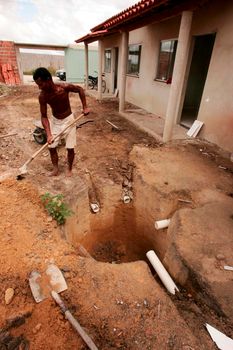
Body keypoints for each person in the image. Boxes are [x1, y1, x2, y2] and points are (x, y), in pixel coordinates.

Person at [33, 67, 90, 177]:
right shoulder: (43, 96)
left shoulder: (63, 87)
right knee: (52, 146)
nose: (40, 87)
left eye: (41, 84)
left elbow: (80, 89)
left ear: (48, 79)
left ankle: (69, 169)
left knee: (70, 147)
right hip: (55, 122)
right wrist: (49, 134)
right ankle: (55, 169)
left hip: (69, 120)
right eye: (38, 85)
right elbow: (44, 116)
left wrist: (85, 106)